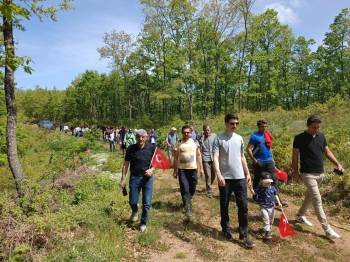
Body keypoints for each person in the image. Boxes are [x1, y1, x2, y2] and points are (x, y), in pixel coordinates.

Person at [292, 115, 345, 240]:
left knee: (310, 196)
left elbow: (327, 152)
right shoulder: (299, 138)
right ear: (308, 126)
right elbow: (295, 157)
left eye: (318, 127)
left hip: (320, 173)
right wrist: (295, 172)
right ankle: (327, 229)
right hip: (307, 174)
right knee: (317, 199)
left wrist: (337, 164)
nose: (316, 129)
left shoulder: (321, 136)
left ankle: (300, 215)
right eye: (314, 127)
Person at [213, 113, 255, 248]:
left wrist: (247, 173)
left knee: (243, 205)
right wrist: (218, 174)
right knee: (224, 205)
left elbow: (242, 156)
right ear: (226, 123)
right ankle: (225, 228)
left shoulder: (240, 138)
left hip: (240, 178)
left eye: (237, 123)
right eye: (232, 123)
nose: (234, 126)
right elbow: (215, 157)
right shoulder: (218, 138)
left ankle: (244, 233)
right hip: (225, 178)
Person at [119, 129, 156, 232]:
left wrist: (152, 169)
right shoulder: (131, 149)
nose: (140, 139)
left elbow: (156, 162)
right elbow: (126, 164)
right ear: (135, 137)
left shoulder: (152, 148)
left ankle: (143, 223)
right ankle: (135, 211)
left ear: (146, 137)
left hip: (147, 178)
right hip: (135, 178)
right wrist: (123, 178)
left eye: (143, 137)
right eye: (138, 137)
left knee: (147, 203)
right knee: (133, 201)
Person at [247, 119, 288, 207]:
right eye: (263, 126)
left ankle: (277, 200)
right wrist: (254, 160)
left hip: (269, 161)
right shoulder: (254, 136)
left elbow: (269, 148)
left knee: (274, 179)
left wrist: (272, 160)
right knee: (258, 179)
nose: (265, 128)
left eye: (266, 126)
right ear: (258, 126)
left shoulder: (267, 135)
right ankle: (256, 196)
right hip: (259, 161)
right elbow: (248, 149)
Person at [173, 124, 204, 222]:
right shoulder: (179, 143)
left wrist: (201, 169)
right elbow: (176, 158)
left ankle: (187, 200)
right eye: (184, 132)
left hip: (193, 169)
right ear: (182, 133)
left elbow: (199, 156)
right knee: (184, 188)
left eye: (188, 132)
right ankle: (188, 208)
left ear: (191, 133)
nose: (186, 134)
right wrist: (175, 170)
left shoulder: (195, 142)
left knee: (193, 187)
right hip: (182, 170)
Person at [253, 172, 282, 240]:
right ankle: (267, 232)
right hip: (263, 207)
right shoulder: (259, 188)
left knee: (271, 220)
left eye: (269, 182)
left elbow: (276, 195)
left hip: (272, 207)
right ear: (261, 182)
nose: (268, 183)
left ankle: (267, 229)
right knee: (266, 219)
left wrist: (279, 203)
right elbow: (254, 193)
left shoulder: (272, 188)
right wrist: (251, 189)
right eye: (266, 182)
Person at [199, 124, 217, 197]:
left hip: (213, 158)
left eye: (208, 130)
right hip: (205, 159)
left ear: (210, 130)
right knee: (208, 176)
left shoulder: (215, 136)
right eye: (205, 130)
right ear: (203, 131)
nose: (207, 131)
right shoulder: (202, 138)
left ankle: (208, 185)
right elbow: (200, 148)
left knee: (213, 175)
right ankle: (209, 191)